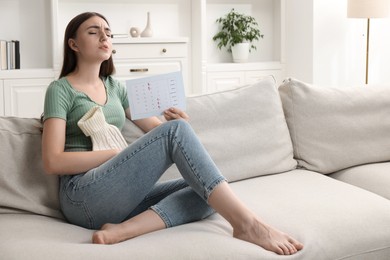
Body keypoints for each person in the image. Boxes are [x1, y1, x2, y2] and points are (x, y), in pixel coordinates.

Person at [41, 12, 303, 255]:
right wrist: (113, 154)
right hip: (82, 196)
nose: (104, 37)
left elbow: (159, 133)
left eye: (108, 33)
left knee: (209, 190)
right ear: (73, 44)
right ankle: (248, 224)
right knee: (184, 145)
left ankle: (121, 231)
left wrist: (179, 122)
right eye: (93, 32)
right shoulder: (60, 90)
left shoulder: (116, 88)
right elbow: (53, 161)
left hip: (119, 196)